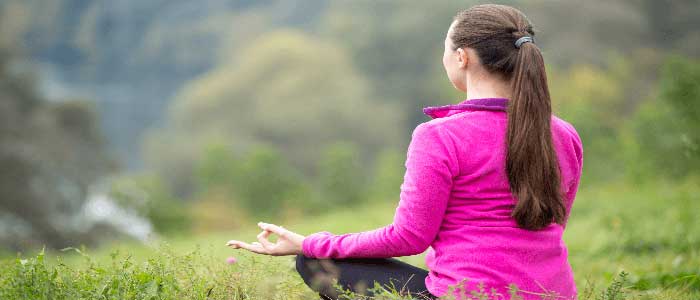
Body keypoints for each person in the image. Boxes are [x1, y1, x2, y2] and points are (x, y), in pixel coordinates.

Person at [225, 4, 583, 300]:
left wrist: (310, 242)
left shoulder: (440, 136)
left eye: (445, 48)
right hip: (555, 293)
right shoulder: (563, 134)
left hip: (464, 294)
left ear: (461, 57)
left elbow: (409, 238)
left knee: (314, 262)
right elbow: (554, 224)